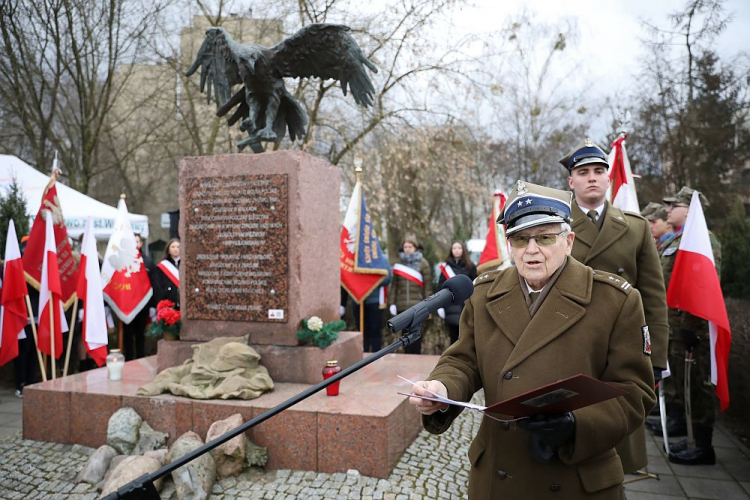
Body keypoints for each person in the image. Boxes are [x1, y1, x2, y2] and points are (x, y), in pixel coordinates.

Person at [408, 181, 655, 499]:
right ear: (509, 244)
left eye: (545, 237)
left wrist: (575, 424)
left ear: (569, 241)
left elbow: (635, 392)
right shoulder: (484, 293)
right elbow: (465, 360)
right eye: (520, 239)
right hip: (499, 475)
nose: (532, 249)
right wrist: (442, 388)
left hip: (575, 478)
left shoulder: (615, 301)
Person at [561, 138, 669, 474]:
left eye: (598, 171)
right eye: (583, 172)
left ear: (609, 179)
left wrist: (657, 357)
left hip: (621, 344)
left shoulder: (635, 227)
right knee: (567, 432)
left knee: (616, 439)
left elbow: (652, 296)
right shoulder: (555, 226)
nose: (591, 177)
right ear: (571, 181)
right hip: (568, 340)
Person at [657, 187, 721, 466]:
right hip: (677, 324)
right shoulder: (681, 239)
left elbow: (704, 287)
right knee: (685, 382)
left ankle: (704, 446)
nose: (669, 210)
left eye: (675, 205)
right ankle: (691, 435)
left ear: (691, 208)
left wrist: (692, 327)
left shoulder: (703, 240)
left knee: (700, 385)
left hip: (695, 329)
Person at [389, 233, 432, 354]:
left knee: (417, 334)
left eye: (410, 246)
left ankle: (416, 358)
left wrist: (429, 305)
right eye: (405, 246)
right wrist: (392, 303)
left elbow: (427, 287)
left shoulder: (423, 264)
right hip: (402, 305)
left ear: (415, 247)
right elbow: (394, 286)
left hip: (418, 305)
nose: (407, 249)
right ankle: (407, 357)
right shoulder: (399, 264)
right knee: (405, 335)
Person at [121, 234, 156, 360]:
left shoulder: (147, 261)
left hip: (143, 305)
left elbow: (153, 284)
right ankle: (129, 359)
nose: (135, 244)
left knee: (140, 334)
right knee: (128, 335)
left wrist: (152, 305)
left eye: (137, 241)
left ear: (141, 243)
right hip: (127, 305)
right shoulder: (123, 260)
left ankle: (141, 358)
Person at [436, 240, 477, 345]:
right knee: (453, 336)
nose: (457, 250)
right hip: (451, 305)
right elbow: (440, 286)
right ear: (451, 250)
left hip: (465, 305)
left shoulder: (470, 266)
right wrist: (440, 305)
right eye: (454, 248)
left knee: (465, 335)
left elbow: (475, 285)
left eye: (459, 248)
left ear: (463, 250)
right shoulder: (446, 267)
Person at [153, 238, 180, 308]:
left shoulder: (186, 265)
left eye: (178, 247)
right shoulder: (162, 266)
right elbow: (157, 287)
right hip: (168, 303)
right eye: (173, 247)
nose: (176, 249)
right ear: (168, 249)